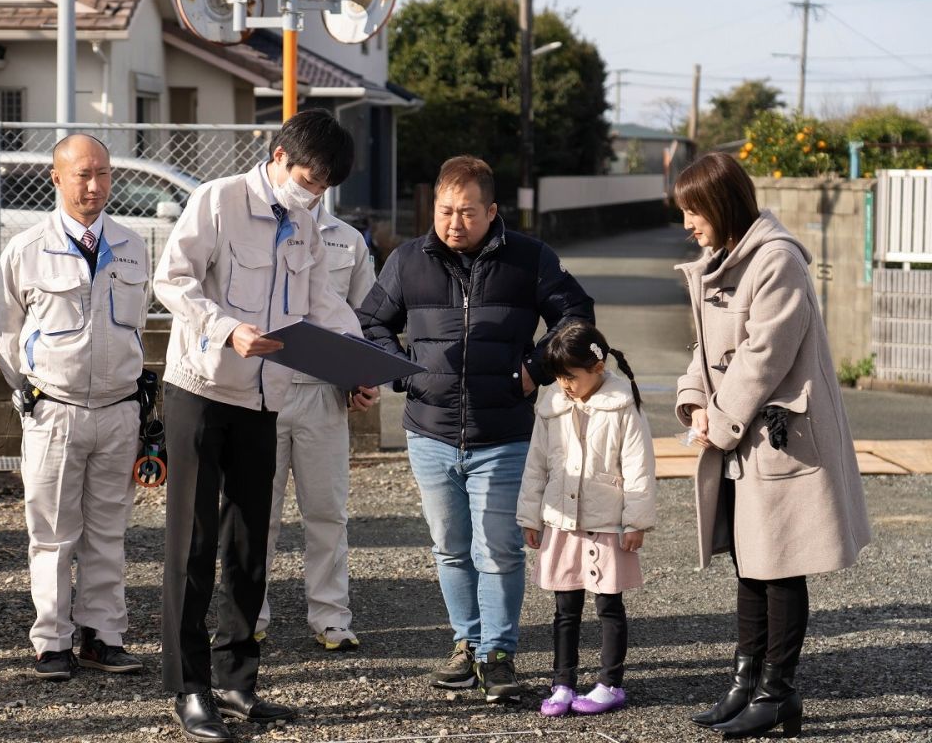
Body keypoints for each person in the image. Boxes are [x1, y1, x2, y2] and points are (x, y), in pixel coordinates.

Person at [153, 109, 378, 742]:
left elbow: (320, 305)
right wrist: (227, 328)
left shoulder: (306, 224)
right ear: (278, 155)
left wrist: (359, 360)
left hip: (264, 397)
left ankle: (236, 680)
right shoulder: (217, 200)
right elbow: (171, 279)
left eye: (323, 186)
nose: (312, 192)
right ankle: (189, 686)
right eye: (307, 177)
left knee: (251, 542)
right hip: (200, 389)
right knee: (193, 542)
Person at [356, 155, 594, 703]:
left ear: (491, 210)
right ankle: (466, 645)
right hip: (429, 432)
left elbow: (576, 315)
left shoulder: (531, 259)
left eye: (466, 212)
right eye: (444, 211)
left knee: (500, 549)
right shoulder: (407, 261)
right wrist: (397, 369)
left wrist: (535, 369)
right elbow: (372, 322)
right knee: (449, 547)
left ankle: (499, 654)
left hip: (504, 433)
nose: (454, 223)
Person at [673, 152, 871, 739]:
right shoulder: (720, 258)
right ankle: (746, 683)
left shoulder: (777, 261)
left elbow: (764, 356)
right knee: (749, 562)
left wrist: (721, 418)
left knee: (780, 566)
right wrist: (692, 400)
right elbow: (704, 349)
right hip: (743, 439)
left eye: (693, 210)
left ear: (722, 203)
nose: (687, 223)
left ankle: (777, 691)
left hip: (780, 440)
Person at [0, 134, 149, 681]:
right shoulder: (25, 249)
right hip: (54, 410)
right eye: (83, 174)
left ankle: (103, 636)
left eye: (103, 173)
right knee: (54, 532)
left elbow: (139, 325)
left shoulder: (132, 244)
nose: (95, 185)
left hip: (119, 408)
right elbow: (6, 333)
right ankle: (51, 639)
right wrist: (36, 389)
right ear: (56, 178)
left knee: (109, 529)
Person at [516, 320, 657, 717]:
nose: (564, 384)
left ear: (596, 368)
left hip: (607, 522)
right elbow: (536, 466)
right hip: (562, 522)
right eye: (558, 377)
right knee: (565, 607)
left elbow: (639, 466)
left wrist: (635, 522)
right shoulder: (552, 405)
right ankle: (562, 682)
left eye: (571, 376)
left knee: (609, 606)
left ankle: (610, 682)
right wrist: (531, 515)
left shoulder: (623, 405)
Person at [256, 198, 376, 652]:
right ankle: (247, 615)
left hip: (324, 391)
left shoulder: (347, 239)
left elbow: (367, 317)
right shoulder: (249, 226)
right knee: (254, 511)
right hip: (259, 388)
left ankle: (330, 616)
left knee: (327, 511)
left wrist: (365, 374)